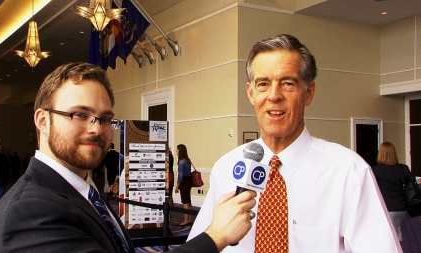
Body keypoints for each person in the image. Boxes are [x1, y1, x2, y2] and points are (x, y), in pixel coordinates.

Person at [0, 62, 257, 253]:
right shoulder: (28, 211)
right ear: (43, 120)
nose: (96, 129)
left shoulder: (84, 191)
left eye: (104, 119)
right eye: (79, 114)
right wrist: (216, 236)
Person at [188, 34, 401, 252]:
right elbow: (202, 244)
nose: (274, 95)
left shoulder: (348, 172)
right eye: (263, 84)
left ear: (308, 93)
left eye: (288, 84)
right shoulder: (226, 168)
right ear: (251, 93)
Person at [372, 141, 411, 242]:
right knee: (397, 236)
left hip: (385, 208)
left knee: (386, 238)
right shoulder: (403, 169)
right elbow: (411, 185)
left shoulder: (376, 170)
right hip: (402, 209)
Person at [174, 144, 193, 226]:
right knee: (188, 201)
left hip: (184, 181)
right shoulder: (187, 160)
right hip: (189, 180)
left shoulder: (182, 161)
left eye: (177, 149)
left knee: (185, 201)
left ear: (180, 151)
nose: (176, 151)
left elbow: (180, 174)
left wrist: (177, 185)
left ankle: (186, 220)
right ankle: (190, 218)